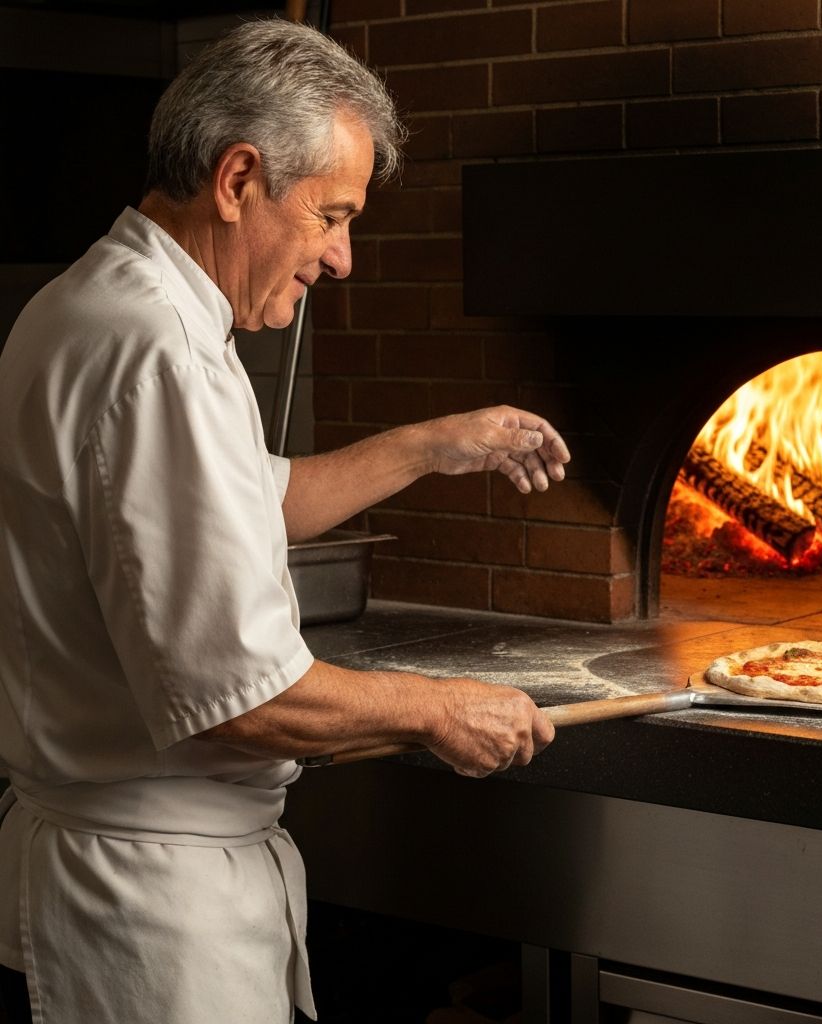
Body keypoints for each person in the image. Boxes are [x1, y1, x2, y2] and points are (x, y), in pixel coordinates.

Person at [0, 19, 569, 1024]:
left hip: (115, 869)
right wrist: (437, 707)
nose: (342, 258)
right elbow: (236, 696)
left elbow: (244, 501)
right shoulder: (160, 353)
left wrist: (433, 443)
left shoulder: (92, 303)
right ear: (236, 180)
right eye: (331, 215)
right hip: (152, 910)